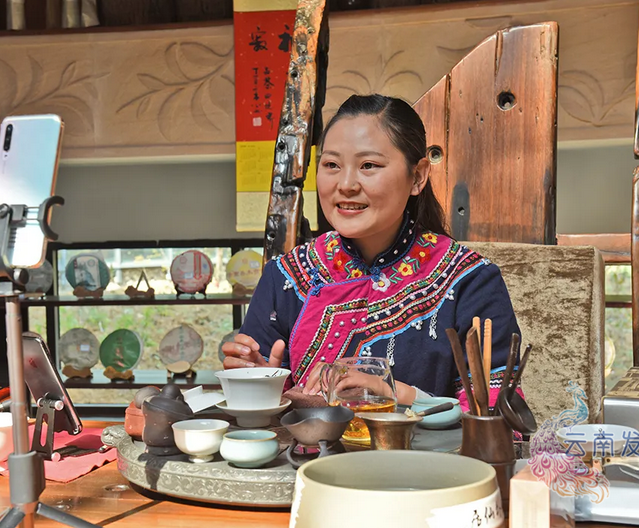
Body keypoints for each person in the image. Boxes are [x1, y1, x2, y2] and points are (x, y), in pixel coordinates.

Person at [222, 94, 520, 410]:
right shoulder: (285, 275)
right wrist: (259, 385)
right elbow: (261, 419)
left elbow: (498, 417)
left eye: (368, 165)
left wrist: (395, 393)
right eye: (332, 165)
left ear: (418, 176)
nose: (346, 184)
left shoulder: (469, 279)